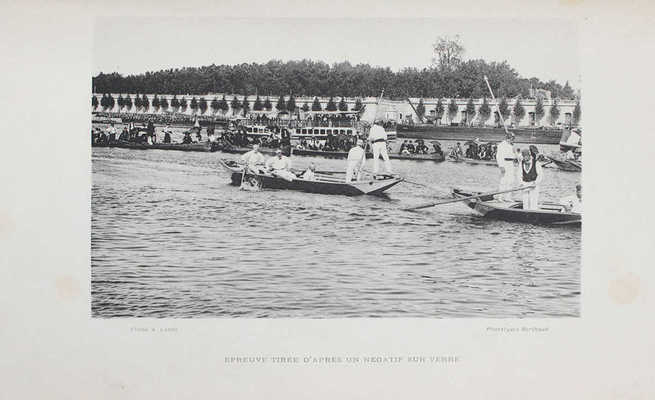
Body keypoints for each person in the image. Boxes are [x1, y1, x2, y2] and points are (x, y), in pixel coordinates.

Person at [495, 133, 517, 202]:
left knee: (511, 181)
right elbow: (499, 156)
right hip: (505, 163)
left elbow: (514, 155)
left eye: (513, 139)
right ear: (508, 138)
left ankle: (508, 197)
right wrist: (501, 166)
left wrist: (514, 152)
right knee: (503, 181)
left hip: (511, 163)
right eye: (512, 139)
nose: (513, 140)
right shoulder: (501, 145)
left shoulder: (511, 145)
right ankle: (500, 197)